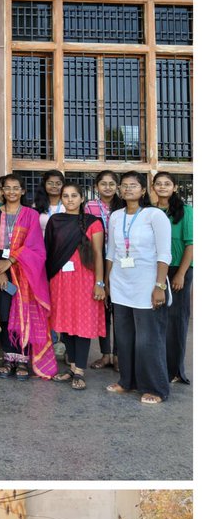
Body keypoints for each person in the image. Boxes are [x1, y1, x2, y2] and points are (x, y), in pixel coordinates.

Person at [105, 171, 172, 405]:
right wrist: (106, 282)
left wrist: (159, 285)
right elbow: (111, 252)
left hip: (147, 284)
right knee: (124, 337)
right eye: (124, 185)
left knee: (148, 339)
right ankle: (127, 381)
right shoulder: (115, 216)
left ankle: (156, 387)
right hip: (121, 284)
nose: (127, 189)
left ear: (143, 190)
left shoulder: (154, 215)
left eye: (133, 185)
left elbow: (164, 253)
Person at [0, 174, 56, 380]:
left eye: (15, 188)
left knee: (23, 313)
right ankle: (8, 357)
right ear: (1, 191)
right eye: (7, 188)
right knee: (4, 313)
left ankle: (22, 359)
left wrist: (11, 261)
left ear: (23, 191)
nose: (11, 192)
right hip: (0, 269)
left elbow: (34, 245)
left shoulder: (31, 214)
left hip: (25, 271)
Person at [44, 183, 105, 391]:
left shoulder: (93, 222)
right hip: (60, 279)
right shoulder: (55, 221)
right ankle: (71, 367)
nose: (70, 199)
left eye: (74, 196)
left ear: (81, 198)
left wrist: (99, 283)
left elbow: (98, 254)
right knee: (65, 324)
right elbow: (48, 251)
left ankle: (79, 371)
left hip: (85, 280)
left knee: (82, 325)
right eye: (66, 196)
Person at [150, 171, 193, 385]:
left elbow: (191, 244)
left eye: (167, 183)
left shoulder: (186, 211)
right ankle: (157, 365)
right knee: (156, 319)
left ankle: (175, 370)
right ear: (153, 187)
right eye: (158, 183)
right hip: (155, 268)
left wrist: (181, 274)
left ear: (174, 187)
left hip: (177, 269)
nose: (163, 187)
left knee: (176, 321)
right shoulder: (150, 211)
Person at [85, 170, 121, 371]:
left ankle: (118, 355)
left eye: (111, 183)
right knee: (103, 308)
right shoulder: (89, 206)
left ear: (117, 186)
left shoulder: (124, 205)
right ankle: (105, 354)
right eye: (103, 184)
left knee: (120, 310)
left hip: (121, 260)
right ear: (96, 187)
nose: (107, 187)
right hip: (98, 257)